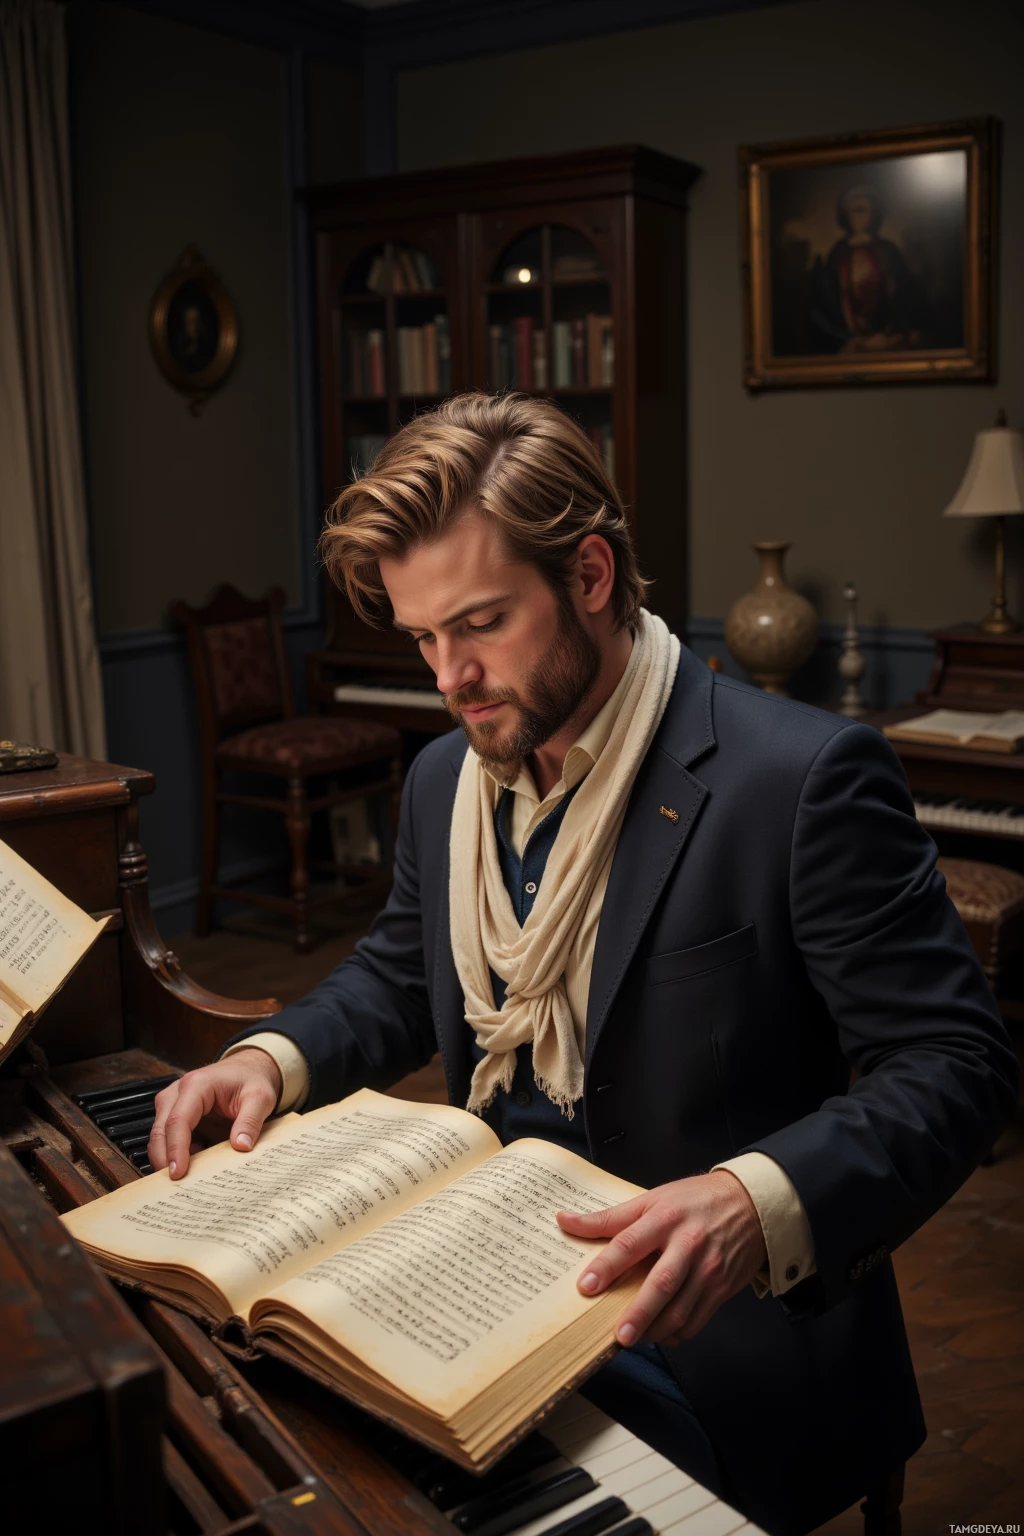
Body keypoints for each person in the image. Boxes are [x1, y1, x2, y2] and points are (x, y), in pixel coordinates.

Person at [149, 392, 1016, 1536]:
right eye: (421, 638)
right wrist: (271, 1055)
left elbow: (956, 1065)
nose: (447, 677)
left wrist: (752, 1202)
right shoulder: (441, 784)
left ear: (592, 577)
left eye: (480, 624)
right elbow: (405, 974)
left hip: (706, 1328)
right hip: (480, 1276)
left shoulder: (800, 781)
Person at [808, 184, 929, 354]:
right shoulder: (838, 253)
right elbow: (826, 303)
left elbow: (905, 294)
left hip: (887, 338)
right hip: (852, 339)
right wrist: (847, 337)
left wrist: (894, 332)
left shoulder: (889, 250)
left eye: (864, 210)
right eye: (854, 211)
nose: (860, 216)